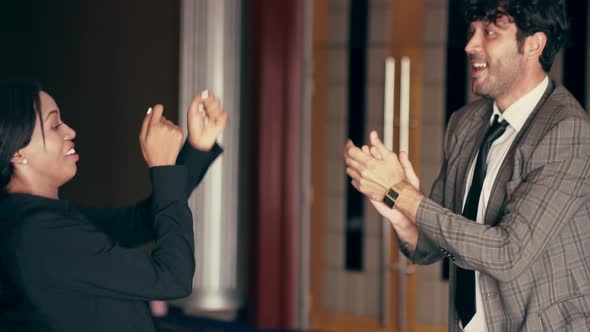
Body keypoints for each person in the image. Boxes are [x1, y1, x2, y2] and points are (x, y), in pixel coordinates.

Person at [345, 0, 590, 331]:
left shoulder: (567, 130)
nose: (470, 45)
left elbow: (507, 254)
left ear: (534, 44)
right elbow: (435, 240)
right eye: (472, 31)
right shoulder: (466, 122)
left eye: (489, 32)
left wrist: (400, 193)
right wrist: (399, 213)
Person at [0, 80, 228, 332]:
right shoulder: (36, 232)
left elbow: (141, 222)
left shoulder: (35, 216)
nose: (70, 131)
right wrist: (164, 169)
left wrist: (196, 149)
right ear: (17, 151)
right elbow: (173, 279)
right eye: (54, 125)